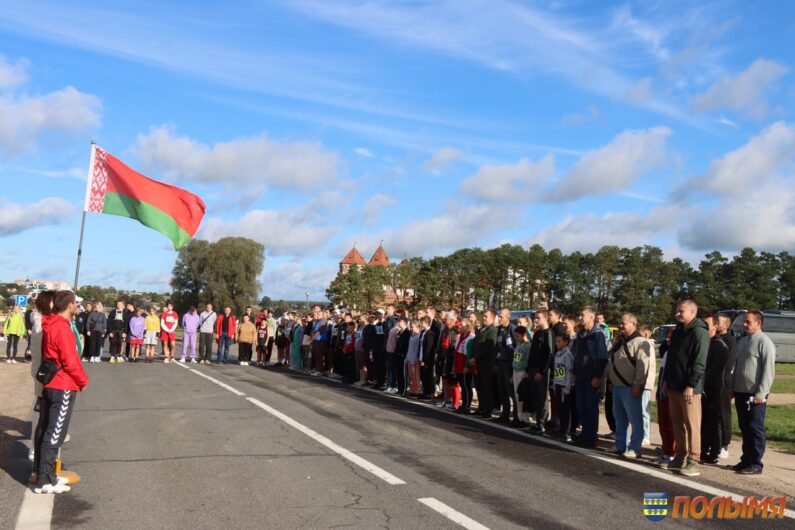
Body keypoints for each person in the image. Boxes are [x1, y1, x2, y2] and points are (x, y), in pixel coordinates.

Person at [34, 290, 89, 494]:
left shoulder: (51, 324)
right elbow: (70, 360)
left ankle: (47, 476)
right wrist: (83, 380)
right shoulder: (62, 327)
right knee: (55, 434)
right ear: (70, 305)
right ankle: (45, 480)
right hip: (62, 384)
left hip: (52, 384)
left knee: (48, 431)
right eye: (76, 304)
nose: (77, 307)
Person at [661, 300, 709, 477]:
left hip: (689, 388)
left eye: (681, 311)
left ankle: (694, 460)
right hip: (674, 385)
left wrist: (691, 385)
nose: (677, 314)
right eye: (677, 311)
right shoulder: (678, 331)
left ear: (692, 312)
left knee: (692, 425)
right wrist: (666, 380)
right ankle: (680, 456)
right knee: (677, 423)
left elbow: (699, 361)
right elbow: (672, 358)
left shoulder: (699, 332)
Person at [731, 311, 776, 475]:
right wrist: (732, 388)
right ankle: (746, 460)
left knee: (755, 427)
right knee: (744, 427)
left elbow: (768, 371)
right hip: (740, 391)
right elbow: (736, 366)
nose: (744, 324)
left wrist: (761, 393)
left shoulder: (765, 342)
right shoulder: (743, 341)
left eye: (748, 322)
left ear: (758, 323)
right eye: (744, 321)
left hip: (755, 394)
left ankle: (756, 463)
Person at [606, 313, 651, 459]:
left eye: (624, 323)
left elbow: (642, 366)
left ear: (633, 324)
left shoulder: (640, 342)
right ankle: (620, 444)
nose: (621, 326)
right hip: (617, 386)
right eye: (620, 323)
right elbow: (612, 361)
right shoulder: (620, 341)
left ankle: (635, 447)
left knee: (635, 420)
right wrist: (611, 381)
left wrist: (638, 385)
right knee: (619, 419)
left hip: (630, 387)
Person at [572, 307, 608, 448]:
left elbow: (602, 357)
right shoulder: (580, 334)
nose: (580, 318)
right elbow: (577, 355)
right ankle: (585, 434)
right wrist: (575, 373)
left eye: (583, 315)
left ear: (592, 317)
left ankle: (591, 437)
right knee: (581, 406)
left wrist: (597, 376)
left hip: (591, 377)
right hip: (580, 375)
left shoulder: (598, 334)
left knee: (590, 407)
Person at [700, 315, 729, 464]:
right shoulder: (705, 342)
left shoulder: (719, 345)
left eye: (707, 324)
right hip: (703, 388)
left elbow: (715, 370)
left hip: (714, 389)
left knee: (713, 422)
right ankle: (703, 449)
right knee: (704, 421)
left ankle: (714, 452)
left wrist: (701, 380)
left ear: (715, 326)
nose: (704, 327)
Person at [526, 310, 554, 434]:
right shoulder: (537, 333)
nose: (536, 320)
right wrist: (528, 369)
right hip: (533, 369)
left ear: (545, 318)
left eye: (538, 318)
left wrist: (542, 372)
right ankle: (538, 422)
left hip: (541, 371)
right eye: (535, 318)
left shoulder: (549, 333)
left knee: (542, 397)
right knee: (536, 397)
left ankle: (542, 423)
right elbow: (532, 353)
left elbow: (550, 354)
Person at [716, 313, 737, 460]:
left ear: (727, 325)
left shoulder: (731, 340)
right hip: (711, 381)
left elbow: (729, 364)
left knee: (724, 414)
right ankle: (713, 442)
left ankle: (724, 444)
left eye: (719, 321)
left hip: (724, 382)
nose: (716, 323)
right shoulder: (713, 338)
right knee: (712, 414)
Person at [472, 310, 498, 418]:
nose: (484, 318)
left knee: (486, 387)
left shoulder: (492, 330)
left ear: (492, 318)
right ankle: (481, 407)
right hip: (478, 363)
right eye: (483, 316)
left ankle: (488, 409)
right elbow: (476, 344)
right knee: (479, 387)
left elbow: (488, 347)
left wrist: (476, 358)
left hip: (486, 363)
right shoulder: (481, 330)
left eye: (486, 316)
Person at [495, 308, 518, 425]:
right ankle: (505, 414)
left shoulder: (513, 329)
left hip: (509, 365)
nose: (499, 318)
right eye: (498, 316)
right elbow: (497, 347)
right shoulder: (499, 330)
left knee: (512, 392)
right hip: (500, 364)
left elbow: (516, 347)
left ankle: (516, 416)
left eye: (501, 316)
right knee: (502, 390)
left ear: (508, 317)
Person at [551, 333, 575, 441]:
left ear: (566, 342)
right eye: (556, 341)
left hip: (564, 385)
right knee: (560, 409)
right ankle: (562, 428)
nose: (557, 343)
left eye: (559, 341)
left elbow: (569, 372)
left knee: (565, 409)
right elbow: (557, 370)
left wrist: (567, 387)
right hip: (558, 384)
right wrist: (554, 384)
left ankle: (566, 432)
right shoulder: (557, 354)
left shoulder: (567, 355)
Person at [638, 324, 657, 447]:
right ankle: (641, 434)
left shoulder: (648, 345)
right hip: (640, 382)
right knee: (639, 410)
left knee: (644, 410)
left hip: (645, 383)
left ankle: (646, 436)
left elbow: (645, 366)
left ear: (645, 334)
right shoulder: (643, 345)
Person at [512, 326, 532, 425]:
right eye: (515, 336)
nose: (516, 338)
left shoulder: (528, 346)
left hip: (522, 372)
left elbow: (528, 360)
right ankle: (520, 417)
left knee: (523, 396)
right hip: (515, 371)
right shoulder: (518, 344)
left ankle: (525, 418)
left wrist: (526, 372)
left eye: (517, 336)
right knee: (517, 396)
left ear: (524, 335)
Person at [456, 320, 476, 414]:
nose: (460, 327)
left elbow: (469, 354)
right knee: (462, 386)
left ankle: (467, 406)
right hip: (459, 365)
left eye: (462, 325)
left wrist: (467, 366)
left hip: (465, 365)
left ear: (467, 327)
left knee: (466, 386)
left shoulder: (471, 337)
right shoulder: (460, 337)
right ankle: (463, 405)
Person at [418, 316, 438, 400]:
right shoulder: (423, 332)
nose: (421, 324)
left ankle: (429, 393)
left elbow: (428, 348)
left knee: (428, 376)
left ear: (426, 323)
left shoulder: (430, 333)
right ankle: (425, 391)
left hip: (428, 359)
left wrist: (424, 360)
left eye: (422, 323)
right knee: (423, 376)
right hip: (421, 356)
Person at [404, 320, 422, 397]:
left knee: (416, 375)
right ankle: (413, 389)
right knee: (411, 375)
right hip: (409, 358)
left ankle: (416, 390)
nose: (411, 329)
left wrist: (415, 358)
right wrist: (407, 357)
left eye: (413, 327)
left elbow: (417, 349)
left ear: (417, 327)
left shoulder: (418, 336)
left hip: (414, 359)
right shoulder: (411, 336)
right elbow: (409, 348)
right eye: (411, 327)